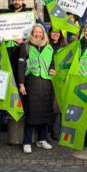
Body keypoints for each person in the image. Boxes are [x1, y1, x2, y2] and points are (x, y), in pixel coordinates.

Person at [18, 24, 56, 154]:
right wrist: (21, 84)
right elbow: (21, 66)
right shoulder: (26, 46)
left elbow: (52, 63)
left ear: (44, 33)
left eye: (40, 32)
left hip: (46, 82)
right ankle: (27, 141)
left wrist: (53, 69)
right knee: (32, 112)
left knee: (44, 111)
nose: (37, 34)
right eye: (35, 32)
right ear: (32, 33)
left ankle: (42, 139)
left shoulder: (49, 47)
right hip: (31, 82)